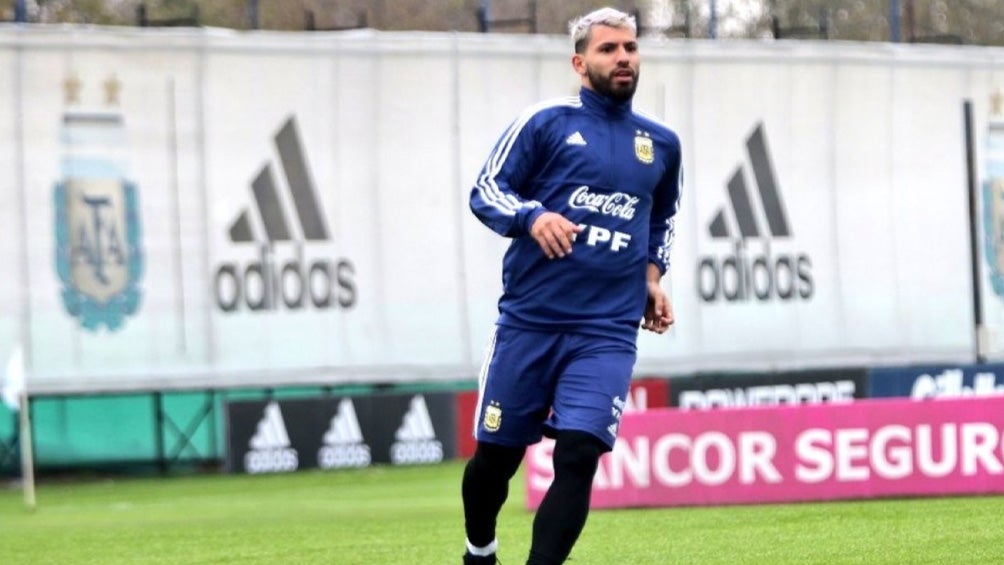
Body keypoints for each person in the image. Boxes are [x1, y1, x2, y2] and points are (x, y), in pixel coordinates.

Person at [461, 6, 683, 565]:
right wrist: (532, 217)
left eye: (630, 47)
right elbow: (486, 190)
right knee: (496, 461)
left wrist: (652, 279)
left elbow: (661, 220)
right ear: (580, 63)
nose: (624, 57)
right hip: (530, 323)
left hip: (606, 330)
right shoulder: (545, 122)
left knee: (581, 453)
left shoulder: (660, 142)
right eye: (609, 49)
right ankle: (479, 550)